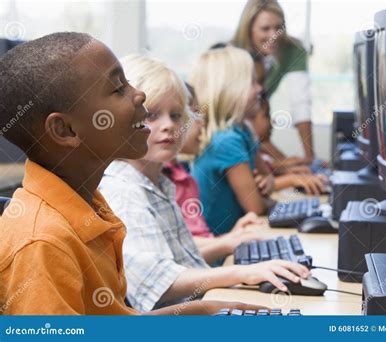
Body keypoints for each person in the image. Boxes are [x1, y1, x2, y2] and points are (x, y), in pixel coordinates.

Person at [0, 32, 259, 315]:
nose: (139, 94)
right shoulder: (44, 243)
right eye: (118, 88)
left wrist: (203, 311)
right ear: (65, 130)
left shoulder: (91, 204)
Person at [99, 55, 310, 312]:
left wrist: (232, 243)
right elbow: (159, 280)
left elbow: (177, 256)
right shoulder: (124, 191)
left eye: (176, 115)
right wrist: (240, 273)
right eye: (152, 115)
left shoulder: (158, 183)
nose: (168, 126)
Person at [164, 83, 267, 263]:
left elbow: (187, 247)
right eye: (193, 114)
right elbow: (174, 259)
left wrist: (232, 237)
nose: (201, 121)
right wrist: (228, 243)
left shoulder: (181, 175)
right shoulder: (226, 140)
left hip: (207, 267)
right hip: (206, 273)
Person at [189, 46, 275, 235]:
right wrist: (270, 201)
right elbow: (256, 208)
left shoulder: (240, 131)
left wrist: (268, 181)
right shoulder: (226, 141)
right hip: (220, 255)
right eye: (252, 82)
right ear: (229, 90)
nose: (260, 88)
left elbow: (265, 175)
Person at [233, 0, 316, 163]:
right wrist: (287, 165)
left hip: (255, 135)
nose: (274, 36)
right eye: (265, 29)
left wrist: (309, 159)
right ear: (248, 29)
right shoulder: (233, 56)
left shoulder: (292, 50)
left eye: (279, 28)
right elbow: (248, 128)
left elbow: (301, 103)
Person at [249, 98, 327, 195]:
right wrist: (292, 179)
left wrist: (292, 171)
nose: (273, 122)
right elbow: (256, 186)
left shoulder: (257, 148)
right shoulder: (244, 149)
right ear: (248, 121)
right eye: (266, 116)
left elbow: (272, 168)